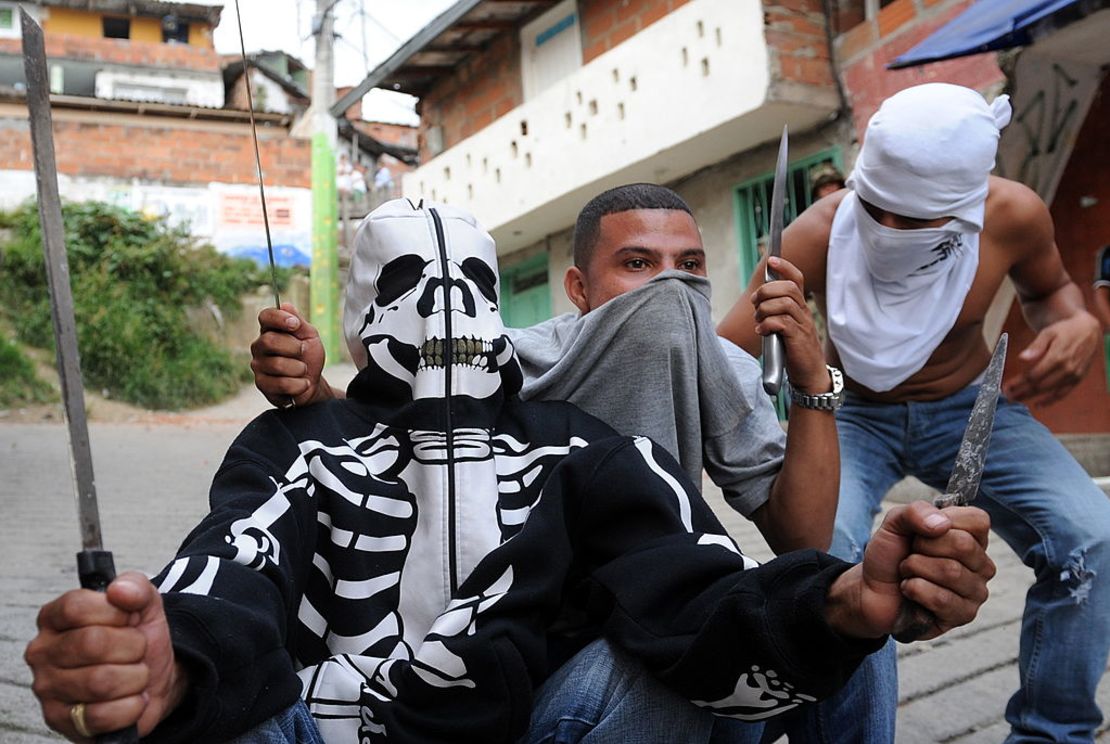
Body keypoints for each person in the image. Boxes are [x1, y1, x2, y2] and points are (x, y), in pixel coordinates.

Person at [26, 199, 995, 744]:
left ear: (500, 314)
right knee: (207, 706)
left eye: (691, 267)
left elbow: (687, 581)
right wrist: (168, 657)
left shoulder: (577, 444)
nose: (670, 295)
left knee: (730, 649)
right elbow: (234, 564)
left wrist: (842, 603)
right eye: (638, 267)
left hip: (525, 724)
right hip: (317, 729)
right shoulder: (304, 442)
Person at [719, 82, 1110, 742]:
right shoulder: (817, 234)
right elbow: (722, 359)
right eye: (879, 208)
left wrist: (1078, 325)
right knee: (821, 567)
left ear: (968, 203)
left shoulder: (1012, 215)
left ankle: (1052, 732)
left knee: (1093, 540)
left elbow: (1054, 295)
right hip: (853, 416)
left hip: (968, 408)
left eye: (917, 218)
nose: (891, 229)